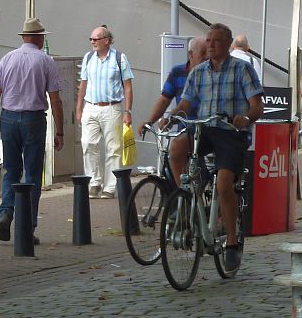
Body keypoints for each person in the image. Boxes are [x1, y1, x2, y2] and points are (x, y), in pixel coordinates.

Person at [159, 23, 263, 272]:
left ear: (228, 44)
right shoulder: (198, 72)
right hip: (203, 129)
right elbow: (185, 102)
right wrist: (171, 116)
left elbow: (257, 105)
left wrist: (246, 118)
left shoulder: (242, 69)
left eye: (216, 41)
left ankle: (231, 242)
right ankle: (190, 196)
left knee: (225, 184)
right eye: (208, 41)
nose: (211, 45)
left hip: (230, 132)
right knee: (176, 148)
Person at [0, 17, 64, 243]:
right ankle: (26, 228)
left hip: (8, 119)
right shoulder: (46, 61)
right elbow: (55, 99)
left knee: (11, 171)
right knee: (32, 175)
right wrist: (60, 132)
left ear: (23, 37)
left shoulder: (7, 59)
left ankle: (6, 213)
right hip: (34, 120)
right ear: (39, 38)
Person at [76, 25, 134, 199]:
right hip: (91, 106)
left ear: (107, 41)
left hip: (112, 107)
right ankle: (94, 182)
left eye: (96, 39)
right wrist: (79, 108)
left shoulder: (119, 58)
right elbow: (83, 84)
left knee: (114, 148)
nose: (92, 42)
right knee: (88, 144)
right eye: (91, 39)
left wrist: (127, 110)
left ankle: (110, 186)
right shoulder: (88, 58)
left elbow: (128, 86)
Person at [140, 36, 206, 179]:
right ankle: (182, 193)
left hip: (205, 128)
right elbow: (164, 99)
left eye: (208, 53)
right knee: (175, 153)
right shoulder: (177, 72)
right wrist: (150, 121)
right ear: (191, 54)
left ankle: (188, 193)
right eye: (203, 53)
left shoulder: (210, 74)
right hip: (186, 128)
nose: (207, 57)